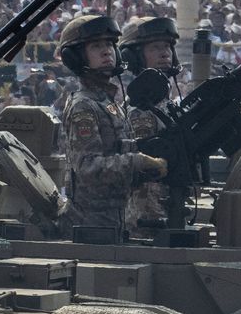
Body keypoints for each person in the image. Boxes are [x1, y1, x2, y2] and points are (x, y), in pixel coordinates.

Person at [55, 14, 168, 241]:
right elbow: (88, 167)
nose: (106, 51)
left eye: (109, 44)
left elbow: (115, 147)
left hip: (114, 221)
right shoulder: (83, 107)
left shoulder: (107, 103)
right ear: (77, 57)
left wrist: (150, 148)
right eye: (96, 46)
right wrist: (139, 161)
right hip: (91, 226)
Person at [118, 16, 183, 231]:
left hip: (168, 210)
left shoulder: (167, 104)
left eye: (167, 47)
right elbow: (143, 174)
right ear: (135, 57)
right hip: (146, 218)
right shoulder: (140, 111)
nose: (165, 53)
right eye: (155, 48)